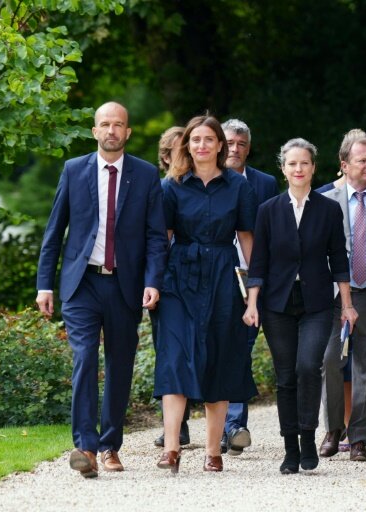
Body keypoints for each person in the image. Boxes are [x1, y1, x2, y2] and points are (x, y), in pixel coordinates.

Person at [36, 101, 168, 478]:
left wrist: (152, 281)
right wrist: (45, 284)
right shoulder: (74, 170)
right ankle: (86, 448)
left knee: (120, 364)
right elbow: (53, 232)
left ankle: (111, 445)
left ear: (127, 132)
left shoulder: (144, 176)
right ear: (94, 131)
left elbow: (156, 237)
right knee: (84, 360)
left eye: (119, 125)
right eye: (105, 124)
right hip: (82, 283)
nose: (112, 130)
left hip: (125, 285)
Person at [243, 138, 358, 474]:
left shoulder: (328, 209)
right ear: (283, 169)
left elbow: (338, 259)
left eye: (304, 163)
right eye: (291, 164)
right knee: (285, 376)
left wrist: (348, 304)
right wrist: (252, 304)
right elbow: (258, 262)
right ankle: (290, 447)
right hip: (277, 304)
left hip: (317, 303)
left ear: (313, 168)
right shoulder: (268, 210)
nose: (298, 169)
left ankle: (308, 436)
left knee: (308, 365)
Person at [154, 115, 258, 474]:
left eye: (208, 140)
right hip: (178, 279)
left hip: (222, 278)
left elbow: (247, 240)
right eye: (195, 140)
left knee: (220, 358)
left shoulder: (237, 187)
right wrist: (153, 283)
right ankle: (171, 449)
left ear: (219, 145)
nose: (201, 145)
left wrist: (254, 293)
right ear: (186, 145)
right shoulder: (172, 186)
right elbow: (162, 238)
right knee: (174, 359)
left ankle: (213, 451)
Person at [319, 130, 366, 462]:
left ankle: (361, 436)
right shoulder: (324, 201)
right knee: (329, 361)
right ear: (344, 165)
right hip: (334, 296)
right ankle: (334, 428)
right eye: (362, 159)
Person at [220, 118, 279, 456]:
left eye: (241, 143)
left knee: (241, 348)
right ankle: (220, 424)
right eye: (229, 142)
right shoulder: (204, 180)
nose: (235, 149)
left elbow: (272, 230)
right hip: (214, 275)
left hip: (253, 275)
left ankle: (235, 424)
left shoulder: (265, 183)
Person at [151, 126, 192, 450]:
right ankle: (177, 425)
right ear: (166, 157)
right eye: (181, 150)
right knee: (168, 351)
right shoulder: (160, 189)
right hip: (167, 280)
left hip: (198, 277)